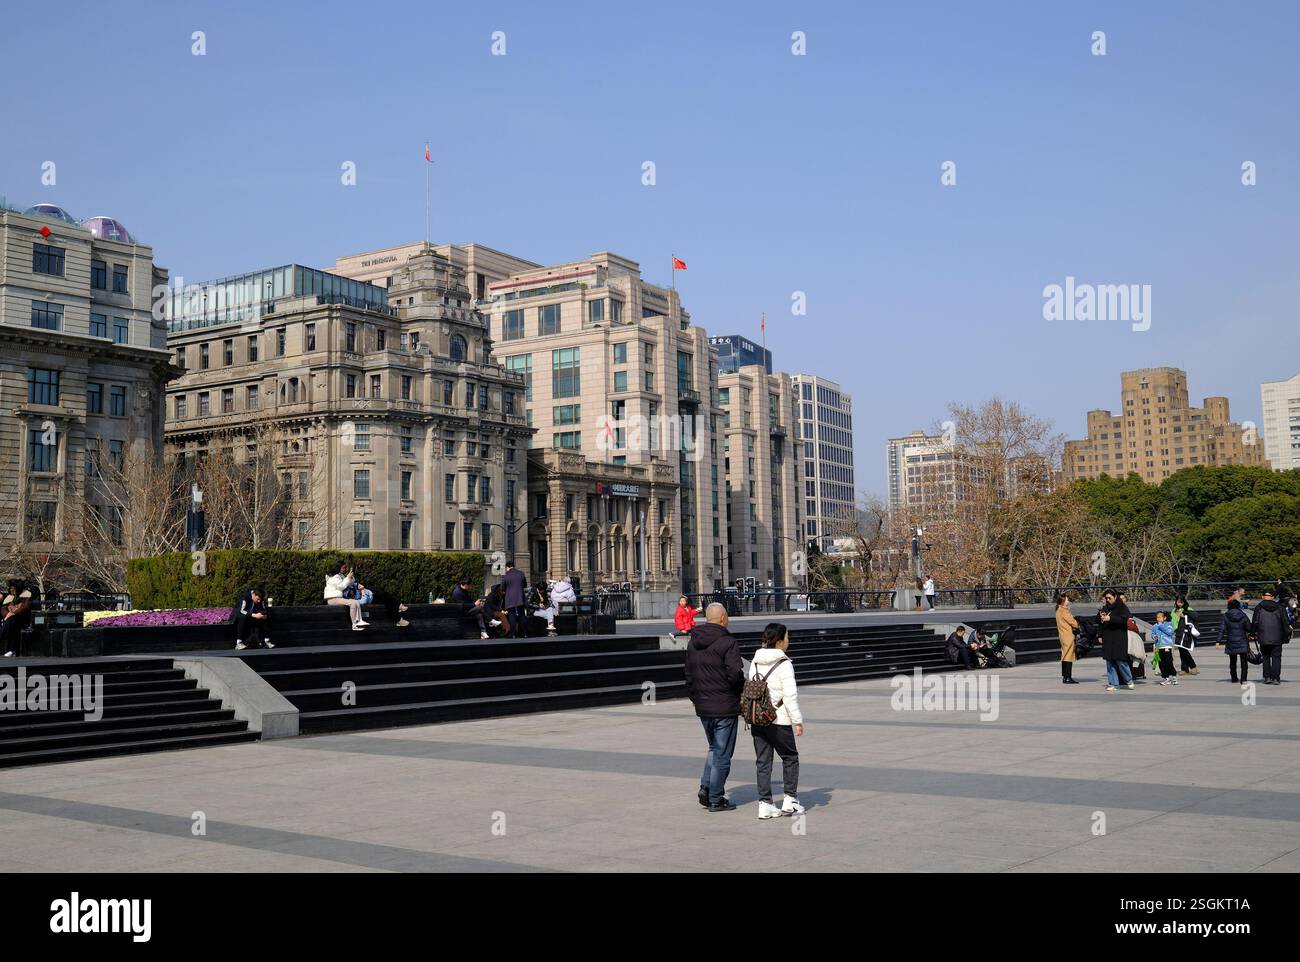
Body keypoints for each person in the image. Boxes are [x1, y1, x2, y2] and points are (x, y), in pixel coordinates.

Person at [684, 602, 744, 813]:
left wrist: (696, 699)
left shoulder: (693, 643)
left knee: (713, 748)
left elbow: (689, 676)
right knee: (722, 754)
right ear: (722, 619)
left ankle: (706, 787)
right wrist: (738, 694)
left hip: (703, 706)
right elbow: (735, 673)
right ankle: (716, 799)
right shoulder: (728, 642)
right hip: (725, 706)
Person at [747, 622, 804, 819]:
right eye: (787, 637)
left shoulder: (755, 661)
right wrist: (797, 721)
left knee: (763, 762)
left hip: (757, 719)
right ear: (779, 641)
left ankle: (765, 804)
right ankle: (790, 800)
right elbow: (790, 696)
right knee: (790, 757)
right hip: (779, 719)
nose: (788, 641)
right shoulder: (784, 663)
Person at [1098, 589, 1134, 691]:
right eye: (1106, 598)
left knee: (1120, 661)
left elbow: (1124, 620)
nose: (1108, 600)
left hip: (1119, 637)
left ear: (1115, 597)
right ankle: (1113, 684)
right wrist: (1100, 635)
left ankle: (1129, 679)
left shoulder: (1122, 607)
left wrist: (1111, 619)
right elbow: (1099, 623)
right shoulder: (1104, 608)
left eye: (1110, 598)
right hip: (1108, 637)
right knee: (1109, 661)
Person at [1251, 589, 1289, 685]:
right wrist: (1285, 636)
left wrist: (1252, 634)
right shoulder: (1280, 607)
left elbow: (1255, 622)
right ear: (1272, 597)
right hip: (1277, 637)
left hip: (1263, 637)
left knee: (1266, 657)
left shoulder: (1259, 607)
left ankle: (1267, 677)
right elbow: (1285, 622)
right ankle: (1276, 678)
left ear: (1262, 596)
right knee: (1276, 658)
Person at [1216, 598, 1252, 687]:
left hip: (1231, 641)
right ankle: (1243, 679)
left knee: (1232, 661)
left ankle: (1234, 678)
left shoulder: (1226, 616)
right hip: (1242, 640)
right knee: (1244, 661)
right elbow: (1249, 627)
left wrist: (1218, 641)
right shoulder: (1243, 615)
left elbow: (1222, 629)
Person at [324, 562, 367, 630]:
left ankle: (359, 621)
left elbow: (349, 583)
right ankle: (354, 624)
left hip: (338, 598)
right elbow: (341, 586)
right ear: (338, 568)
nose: (345, 569)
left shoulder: (340, 575)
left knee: (356, 602)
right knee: (353, 603)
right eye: (343, 567)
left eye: (345, 567)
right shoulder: (332, 577)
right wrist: (347, 578)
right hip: (332, 599)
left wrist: (351, 577)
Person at [1, 580, 34, 657]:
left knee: (13, 622)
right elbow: (3, 609)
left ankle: (12, 649)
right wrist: (8, 614)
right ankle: (11, 649)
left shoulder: (26, 594)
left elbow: (25, 607)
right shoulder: (10, 596)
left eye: (13, 588)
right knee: (11, 623)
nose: (11, 589)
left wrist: (13, 612)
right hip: (11, 618)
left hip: (23, 617)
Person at [1171, 596, 1199, 675]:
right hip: (1177, 632)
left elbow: (1196, 616)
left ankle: (1193, 666)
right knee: (1181, 651)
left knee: (1184, 650)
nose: (1179, 604)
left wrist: (1185, 615)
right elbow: (1172, 620)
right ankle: (1184, 668)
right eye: (1178, 602)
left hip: (1185, 632)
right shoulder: (1174, 610)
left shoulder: (1188, 609)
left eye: (1181, 602)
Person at [1055, 594, 1080, 684]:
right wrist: (1077, 622)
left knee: (1064, 656)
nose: (1068, 601)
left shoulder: (1058, 610)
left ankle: (1065, 677)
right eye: (1067, 600)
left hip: (1062, 635)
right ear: (1063, 601)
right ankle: (1068, 677)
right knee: (1068, 656)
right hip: (1068, 635)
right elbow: (1073, 623)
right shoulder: (1064, 611)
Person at [1151, 610, 1177, 686]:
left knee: (1168, 662)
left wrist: (1160, 625)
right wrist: (1154, 636)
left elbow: (1170, 632)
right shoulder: (1155, 626)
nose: (1158, 619)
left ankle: (1174, 676)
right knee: (1161, 663)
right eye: (1157, 617)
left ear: (1164, 618)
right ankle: (1166, 678)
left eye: (1160, 617)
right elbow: (1153, 633)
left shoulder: (1168, 624)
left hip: (1166, 646)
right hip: (1159, 647)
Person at [501, 561, 527, 638]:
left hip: (510, 598)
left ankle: (513, 634)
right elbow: (525, 585)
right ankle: (524, 633)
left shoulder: (506, 575)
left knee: (512, 615)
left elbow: (503, 588)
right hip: (520, 598)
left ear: (507, 567)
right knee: (522, 615)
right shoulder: (521, 573)